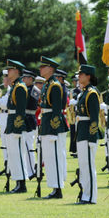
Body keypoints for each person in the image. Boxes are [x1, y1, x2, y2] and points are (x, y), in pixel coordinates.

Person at [39, 57, 67, 199]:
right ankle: (54, 187)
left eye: (43, 67)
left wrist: (54, 129)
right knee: (49, 158)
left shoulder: (54, 85)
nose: (40, 69)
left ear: (50, 69)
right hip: (46, 123)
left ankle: (57, 189)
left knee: (54, 157)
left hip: (52, 125)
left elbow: (56, 109)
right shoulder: (47, 84)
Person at [74, 65, 100, 204]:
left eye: (81, 74)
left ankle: (90, 197)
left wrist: (91, 137)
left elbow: (94, 118)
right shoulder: (83, 92)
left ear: (88, 76)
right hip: (82, 132)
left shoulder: (91, 93)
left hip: (88, 134)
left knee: (89, 166)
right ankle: (85, 194)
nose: (79, 77)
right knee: (83, 165)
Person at [3, 60, 29, 193]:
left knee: (18, 154)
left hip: (16, 124)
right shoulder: (14, 86)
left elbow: (20, 109)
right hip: (11, 121)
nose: (8, 72)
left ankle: (22, 183)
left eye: (10, 69)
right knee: (13, 154)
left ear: (17, 71)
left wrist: (18, 127)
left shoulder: (19, 87)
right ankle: (18, 181)